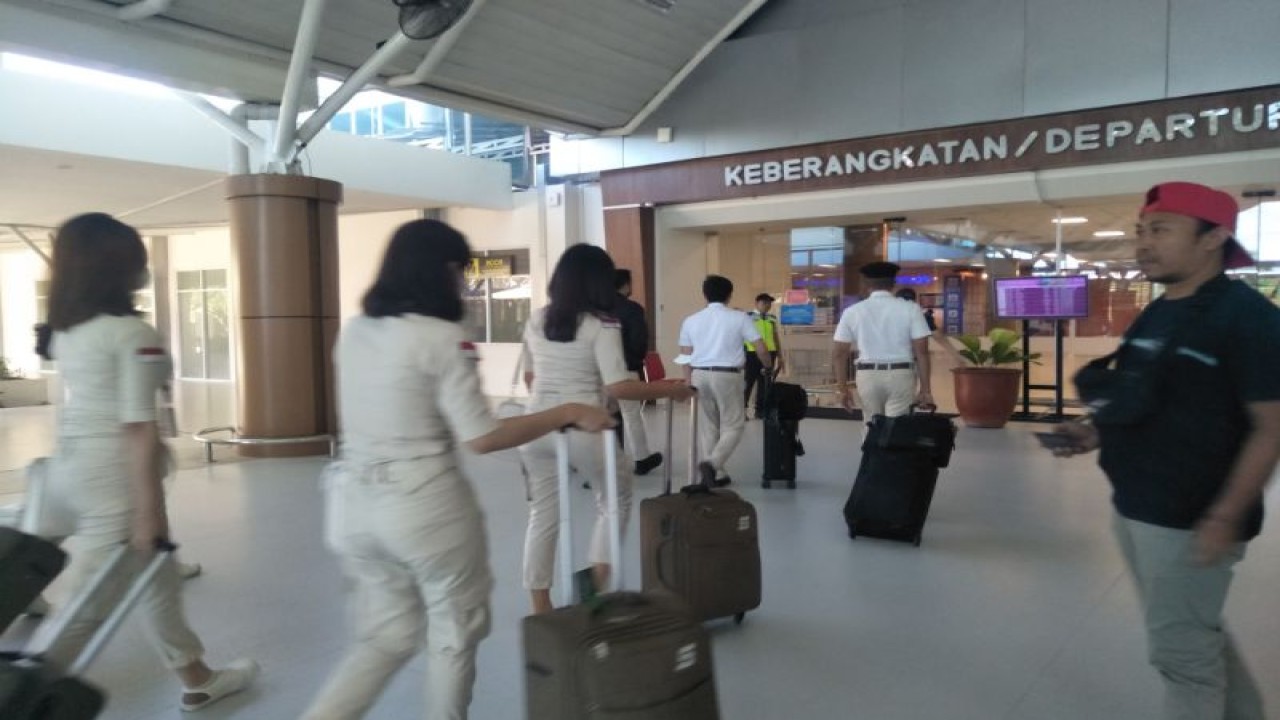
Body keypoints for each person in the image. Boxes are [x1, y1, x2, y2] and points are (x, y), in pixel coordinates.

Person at [302, 220, 615, 720]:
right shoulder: (444, 338)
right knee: (452, 634)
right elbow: (482, 436)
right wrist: (569, 411)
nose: (465, 285)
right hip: (422, 507)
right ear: (444, 270)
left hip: (351, 506)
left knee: (385, 637)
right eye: (462, 273)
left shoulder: (356, 331)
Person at [1052, 182, 1280, 720]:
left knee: (1183, 659)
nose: (1144, 243)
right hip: (1135, 503)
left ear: (1214, 238)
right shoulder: (1159, 312)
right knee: (1193, 632)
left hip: (1190, 517)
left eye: (1160, 229)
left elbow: (1272, 427)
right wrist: (1093, 431)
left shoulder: (1249, 319)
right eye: (1140, 230)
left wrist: (1224, 516)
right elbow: (1144, 396)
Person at [30, 213, 256, 712]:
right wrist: (150, 513)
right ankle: (21, 692)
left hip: (72, 467)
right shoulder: (132, 334)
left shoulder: (69, 332)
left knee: (156, 575)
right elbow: (137, 426)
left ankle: (197, 677)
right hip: (115, 479)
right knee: (89, 602)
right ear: (119, 265)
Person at [520, 245, 694, 615]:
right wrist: (669, 390)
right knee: (615, 499)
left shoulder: (537, 320)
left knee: (543, 514)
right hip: (584, 426)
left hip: (536, 426)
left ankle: (540, 608)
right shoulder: (601, 324)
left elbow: (530, 378)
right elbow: (619, 386)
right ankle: (594, 587)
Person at [678, 275, 772, 487]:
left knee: (708, 426)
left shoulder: (691, 320)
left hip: (699, 374)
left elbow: (685, 354)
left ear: (705, 294)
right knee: (734, 425)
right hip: (727, 375)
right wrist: (768, 367)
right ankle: (713, 464)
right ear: (729, 295)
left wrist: (688, 381)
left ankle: (716, 474)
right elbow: (761, 347)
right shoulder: (740, 318)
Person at [832, 261, 933, 418]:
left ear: (866, 284)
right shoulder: (911, 309)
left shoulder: (852, 312)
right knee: (897, 427)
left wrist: (842, 389)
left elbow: (839, 353)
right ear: (894, 284)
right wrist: (925, 390)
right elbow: (922, 352)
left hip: (868, 376)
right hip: (901, 375)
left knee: (872, 424)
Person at [613, 269, 663, 476]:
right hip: (625, 370)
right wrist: (636, 360)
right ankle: (641, 459)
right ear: (625, 285)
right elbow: (638, 340)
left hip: (598, 373)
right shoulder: (631, 309)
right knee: (631, 414)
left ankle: (606, 464)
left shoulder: (596, 308)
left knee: (605, 416)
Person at [743, 293, 784, 420]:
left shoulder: (772, 318)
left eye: (769, 303)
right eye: (764, 303)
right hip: (752, 353)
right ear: (756, 303)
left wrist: (780, 355)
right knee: (748, 382)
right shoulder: (748, 317)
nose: (767, 305)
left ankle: (760, 411)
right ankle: (742, 410)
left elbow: (775, 337)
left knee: (765, 383)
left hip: (770, 353)